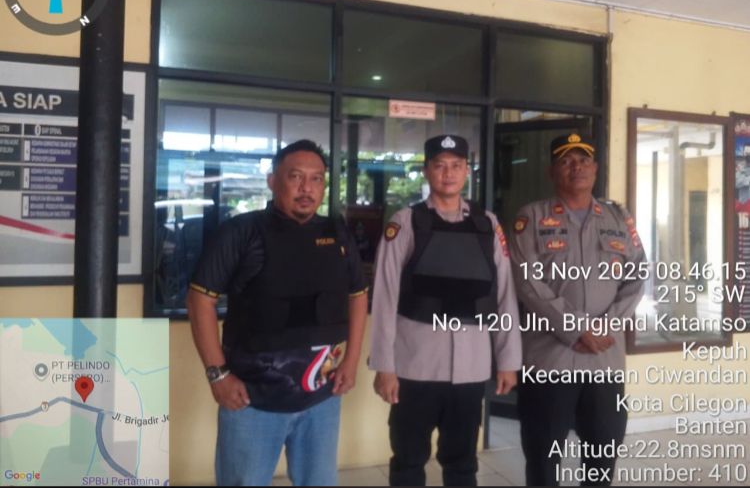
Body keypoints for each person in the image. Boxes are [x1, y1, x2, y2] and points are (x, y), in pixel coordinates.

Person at [186, 139, 369, 487]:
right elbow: (199, 300)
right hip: (253, 400)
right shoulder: (242, 231)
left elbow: (358, 295)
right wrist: (218, 375)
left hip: (321, 397)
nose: (306, 188)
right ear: (273, 181)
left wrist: (352, 360)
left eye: (316, 179)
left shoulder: (337, 233)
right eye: (295, 177)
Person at [369, 134, 522, 486]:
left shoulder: (488, 224)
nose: (448, 173)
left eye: (456, 166)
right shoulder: (406, 222)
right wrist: (384, 367)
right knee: (408, 461)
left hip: (471, 370)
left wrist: (509, 360)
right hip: (415, 367)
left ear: (467, 171)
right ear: (426, 171)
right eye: (439, 166)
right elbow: (385, 297)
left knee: (463, 463)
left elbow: (504, 295)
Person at [508, 133, 647, 487]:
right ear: (552, 171)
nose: (577, 167)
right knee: (543, 460)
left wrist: (604, 328)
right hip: (549, 360)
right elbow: (527, 281)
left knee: (602, 458)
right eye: (567, 161)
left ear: (595, 168)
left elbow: (637, 276)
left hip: (604, 361)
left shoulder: (618, 218)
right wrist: (578, 329)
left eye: (584, 160)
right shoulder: (531, 217)